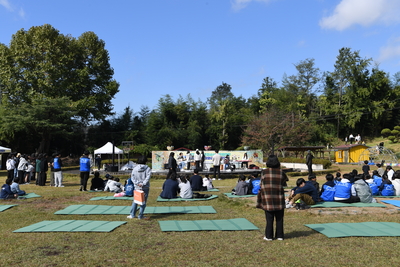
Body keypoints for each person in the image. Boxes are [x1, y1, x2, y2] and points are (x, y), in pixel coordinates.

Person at [256, 155, 288, 241]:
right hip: (279, 198)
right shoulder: (281, 172)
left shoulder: (264, 172)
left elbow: (261, 184)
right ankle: (280, 236)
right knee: (279, 218)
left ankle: (269, 236)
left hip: (268, 198)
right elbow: (284, 182)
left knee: (269, 218)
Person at [127, 155, 151, 220]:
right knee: (143, 202)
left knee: (135, 201)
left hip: (137, 187)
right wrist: (143, 183)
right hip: (145, 187)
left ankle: (132, 214)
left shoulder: (135, 168)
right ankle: (140, 216)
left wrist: (137, 183)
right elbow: (147, 178)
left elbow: (133, 178)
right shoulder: (148, 169)